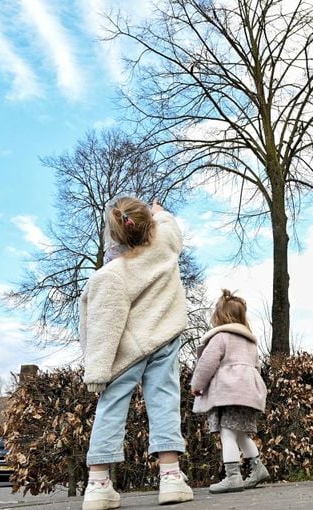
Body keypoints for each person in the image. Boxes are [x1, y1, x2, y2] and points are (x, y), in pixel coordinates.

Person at [79, 196, 193, 509]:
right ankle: (170, 477)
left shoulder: (112, 274)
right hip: (164, 336)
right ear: (150, 226)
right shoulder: (166, 244)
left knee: (111, 406)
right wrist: (159, 212)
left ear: (115, 236)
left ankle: (98, 484)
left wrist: (98, 370)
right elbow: (169, 225)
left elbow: (104, 323)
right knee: (165, 400)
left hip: (126, 348)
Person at [190, 290, 270, 493]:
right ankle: (257, 469)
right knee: (241, 434)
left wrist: (197, 385)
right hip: (248, 393)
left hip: (230, 392)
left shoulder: (220, 337)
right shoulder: (250, 341)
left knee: (227, 434)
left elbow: (207, 364)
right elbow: (257, 368)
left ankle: (233, 477)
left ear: (219, 316)